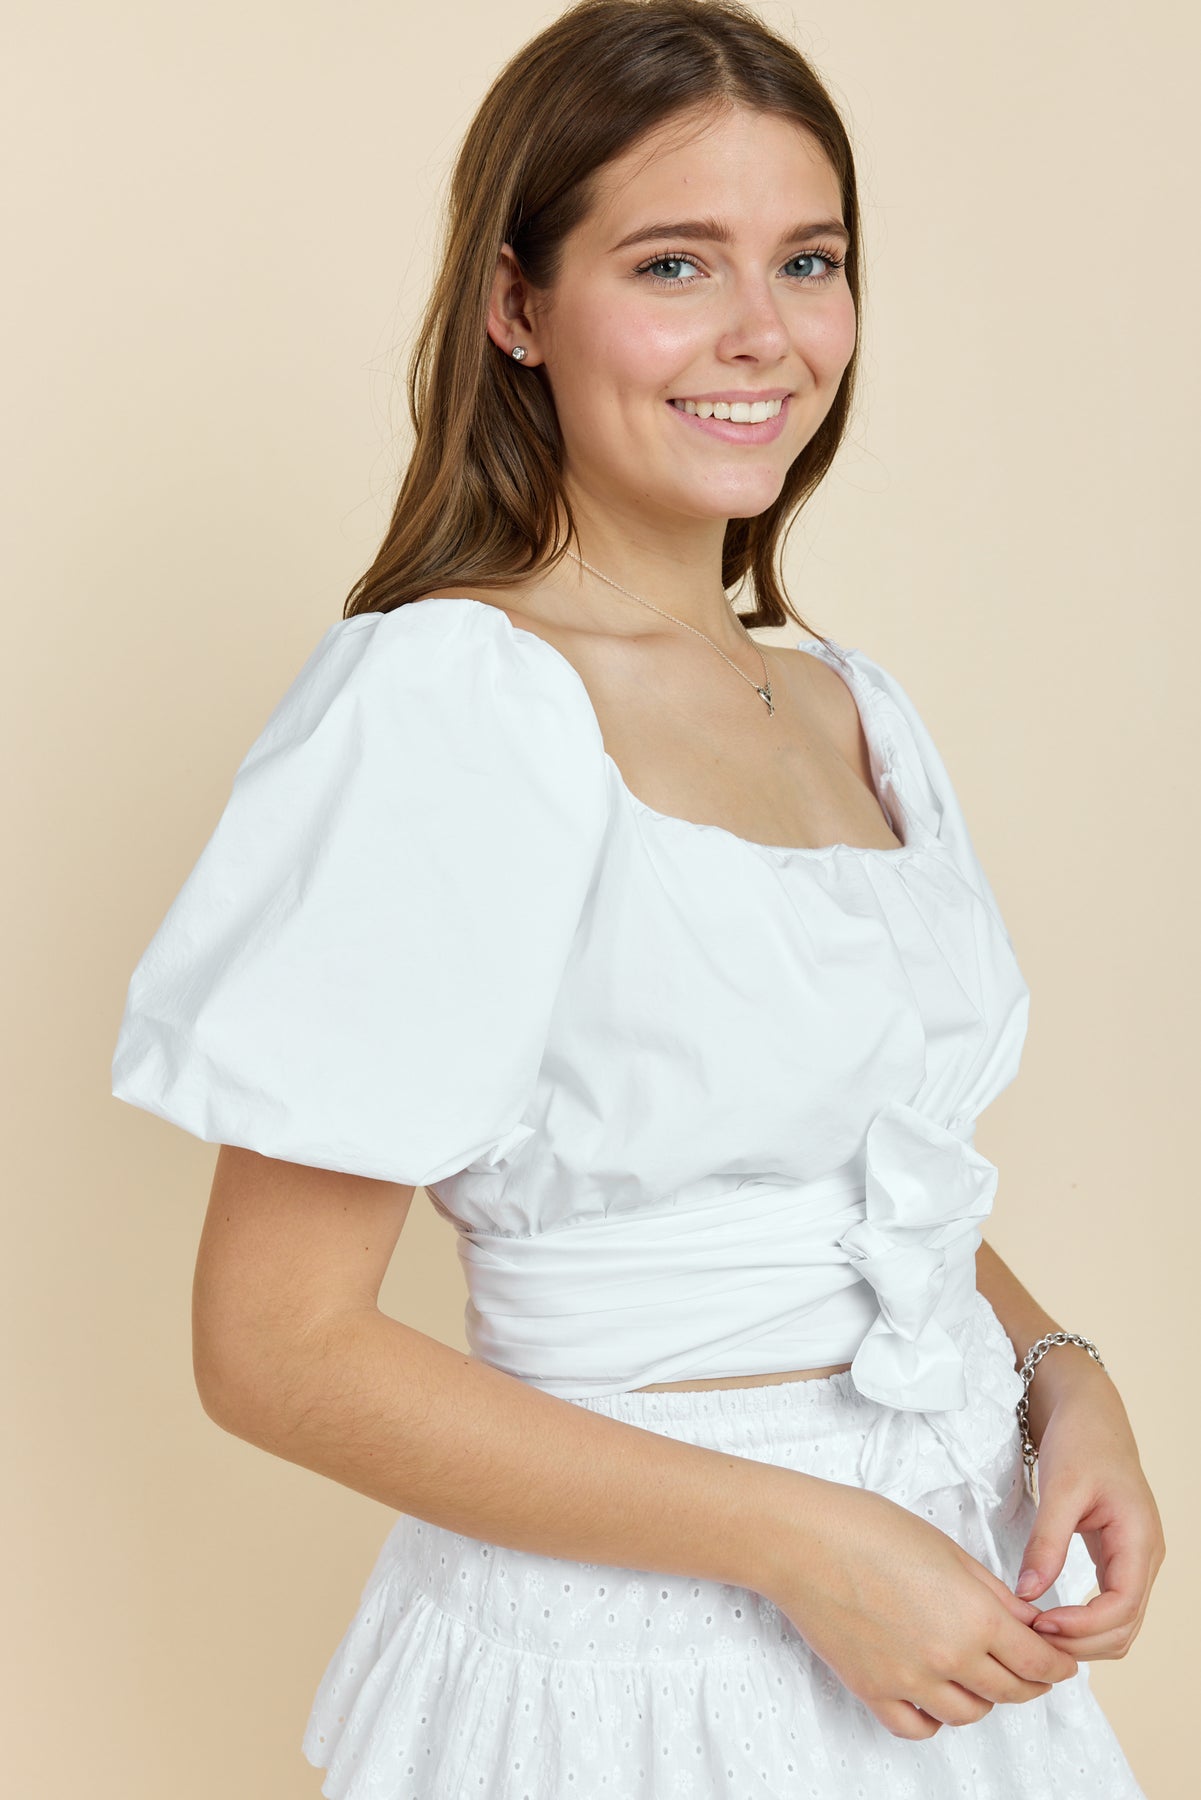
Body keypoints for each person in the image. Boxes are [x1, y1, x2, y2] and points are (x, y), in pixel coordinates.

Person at [110, 1, 1165, 1793]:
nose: (763, 333)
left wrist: (1060, 1372)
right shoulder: (452, 705)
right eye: (674, 263)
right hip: (632, 1672)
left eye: (807, 260)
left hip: (949, 1612)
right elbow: (273, 1351)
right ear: (515, 306)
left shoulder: (847, 707)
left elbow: (838, 1167)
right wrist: (805, 1543)